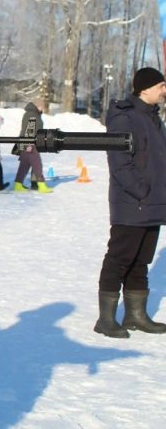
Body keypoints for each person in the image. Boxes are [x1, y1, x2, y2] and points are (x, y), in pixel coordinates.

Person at [94, 67, 166, 338]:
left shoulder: (153, 119)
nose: (164, 90)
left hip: (153, 204)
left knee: (140, 260)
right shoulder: (125, 117)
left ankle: (136, 315)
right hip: (133, 203)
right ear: (145, 88)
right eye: (161, 85)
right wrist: (141, 190)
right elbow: (119, 162)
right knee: (119, 258)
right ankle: (106, 319)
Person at [12, 98, 53, 193]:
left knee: (24, 166)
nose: (42, 108)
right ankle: (41, 185)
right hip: (30, 144)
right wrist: (29, 143)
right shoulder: (32, 115)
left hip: (28, 143)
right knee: (37, 165)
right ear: (38, 106)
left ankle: (18, 185)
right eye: (42, 106)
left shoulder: (33, 114)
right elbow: (30, 130)